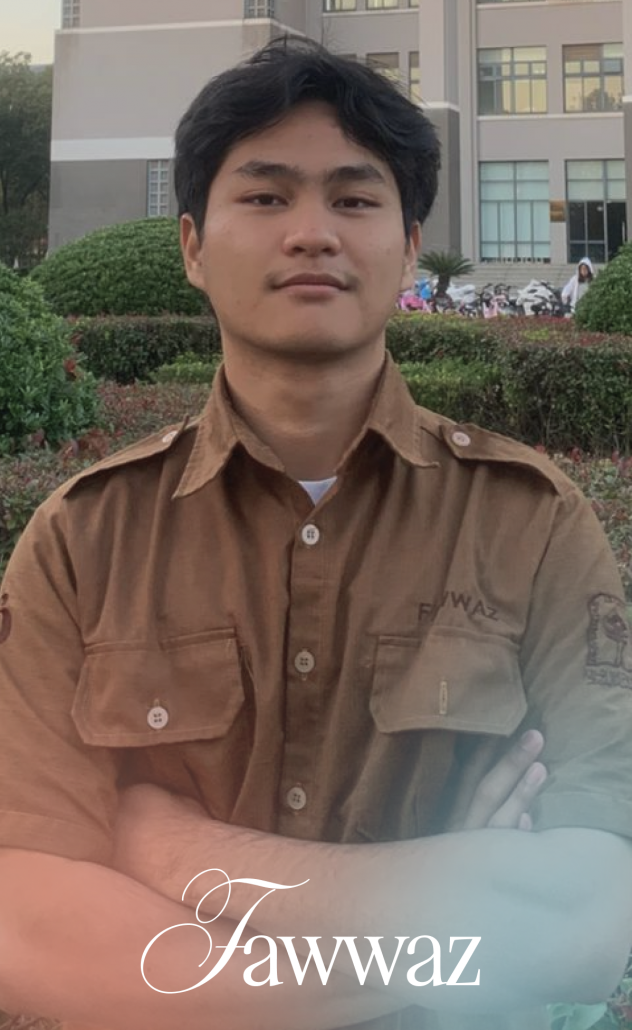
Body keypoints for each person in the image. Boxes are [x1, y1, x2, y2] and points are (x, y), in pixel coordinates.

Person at [0, 37, 631, 1030]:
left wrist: (175, 852)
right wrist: (455, 914)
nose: (311, 233)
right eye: (264, 196)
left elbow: (588, 924)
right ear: (192, 247)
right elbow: (33, 931)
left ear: (409, 247)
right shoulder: (84, 541)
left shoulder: (533, 522)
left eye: (353, 198)